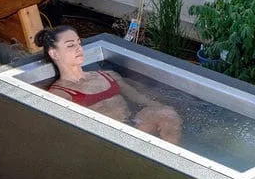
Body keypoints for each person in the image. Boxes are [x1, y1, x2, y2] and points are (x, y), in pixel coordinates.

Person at [34, 26, 183, 144]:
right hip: (106, 141)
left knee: (167, 113)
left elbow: (140, 99)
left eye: (79, 43)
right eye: (70, 45)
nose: (79, 48)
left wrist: (169, 104)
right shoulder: (59, 94)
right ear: (54, 54)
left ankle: (174, 164)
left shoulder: (108, 75)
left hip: (133, 125)